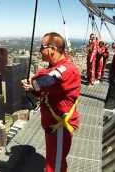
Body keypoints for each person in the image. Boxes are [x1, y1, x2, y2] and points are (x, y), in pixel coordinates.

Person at [21, 32, 80, 172]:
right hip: (53, 126)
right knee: (53, 160)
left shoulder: (67, 69)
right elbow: (41, 88)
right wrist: (32, 87)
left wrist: (33, 82)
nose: (39, 50)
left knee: (55, 166)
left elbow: (45, 81)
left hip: (60, 127)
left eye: (42, 47)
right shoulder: (53, 67)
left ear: (52, 49)